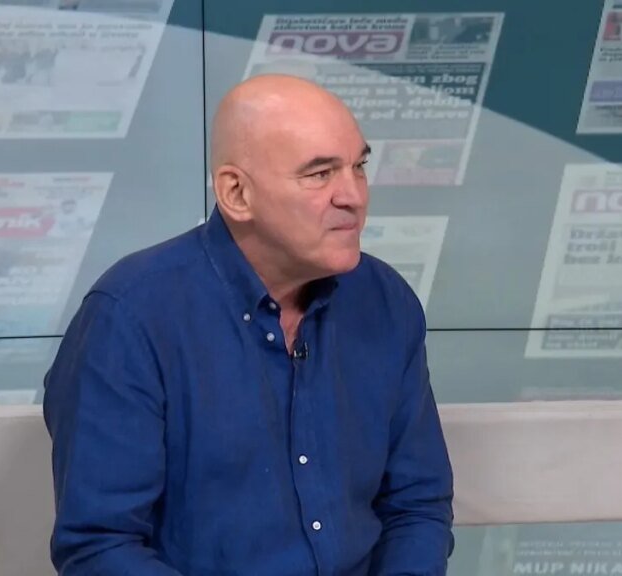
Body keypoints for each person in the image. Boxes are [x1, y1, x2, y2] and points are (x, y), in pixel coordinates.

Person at [42, 74, 455, 575]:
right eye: (320, 174)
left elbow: (416, 504)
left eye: (359, 166)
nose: (353, 195)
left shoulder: (385, 301)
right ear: (236, 193)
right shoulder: (130, 318)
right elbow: (100, 546)